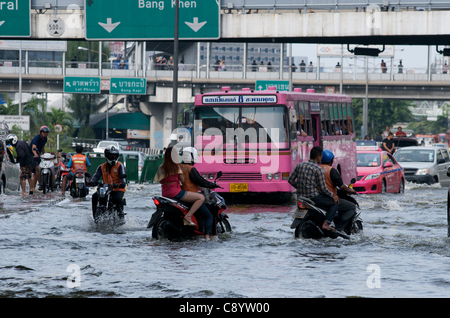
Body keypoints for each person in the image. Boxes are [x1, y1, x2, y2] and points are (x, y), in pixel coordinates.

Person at [288, 146, 339, 231]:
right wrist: (333, 195)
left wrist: (300, 187)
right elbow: (323, 189)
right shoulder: (318, 169)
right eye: (321, 156)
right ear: (318, 156)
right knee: (335, 203)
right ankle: (326, 223)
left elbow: (290, 180)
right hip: (313, 198)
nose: (321, 159)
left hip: (301, 197)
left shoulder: (299, 165)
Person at [154, 147, 204, 226]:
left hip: (165, 194)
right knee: (201, 197)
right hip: (176, 193)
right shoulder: (176, 167)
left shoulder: (161, 167)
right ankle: (188, 216)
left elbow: (159, 180)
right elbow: (183, 181)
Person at [180, 147, 217, 240]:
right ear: (192, 156)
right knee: (209, 216)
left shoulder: (179, 167)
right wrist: (212, 184)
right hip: (190, 196)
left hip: (180, 195)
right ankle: (207, 236)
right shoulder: (191, 169)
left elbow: (190, 182)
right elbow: (201, 181)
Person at [320, 149, 357, 233]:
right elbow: (341, 186)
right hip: (329, 198)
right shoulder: (332, 170)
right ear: (331, 160)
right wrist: (350, 191)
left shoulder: (316, 169)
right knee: (351, 207)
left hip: (318, 197)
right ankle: (339, 228)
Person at [89, 145, 127, 221]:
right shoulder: (101, 167)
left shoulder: (120, 165)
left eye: (115, 156)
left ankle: (120, 217)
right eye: (110, 156)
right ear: (106, 156)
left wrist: (121, 184)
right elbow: (96, 177)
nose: (113, 158)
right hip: (105, 189)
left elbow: (123, 180)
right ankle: (95, 216)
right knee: (95, 196)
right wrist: (92, 182)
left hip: (118, 188)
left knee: (118, 199)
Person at [30, 126, 50, 191]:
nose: (45, 134)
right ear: (41, 132)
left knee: (35, 174)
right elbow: (33, 147)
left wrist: (44, 155)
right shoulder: (37, 138)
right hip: (32, 155)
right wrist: (35, 154)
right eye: (44, 132)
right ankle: (41, 184)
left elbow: (42, 147)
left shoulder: (45, 139)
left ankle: (32, 189)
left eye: (46, 132)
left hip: (39, 156)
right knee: (37, 168)